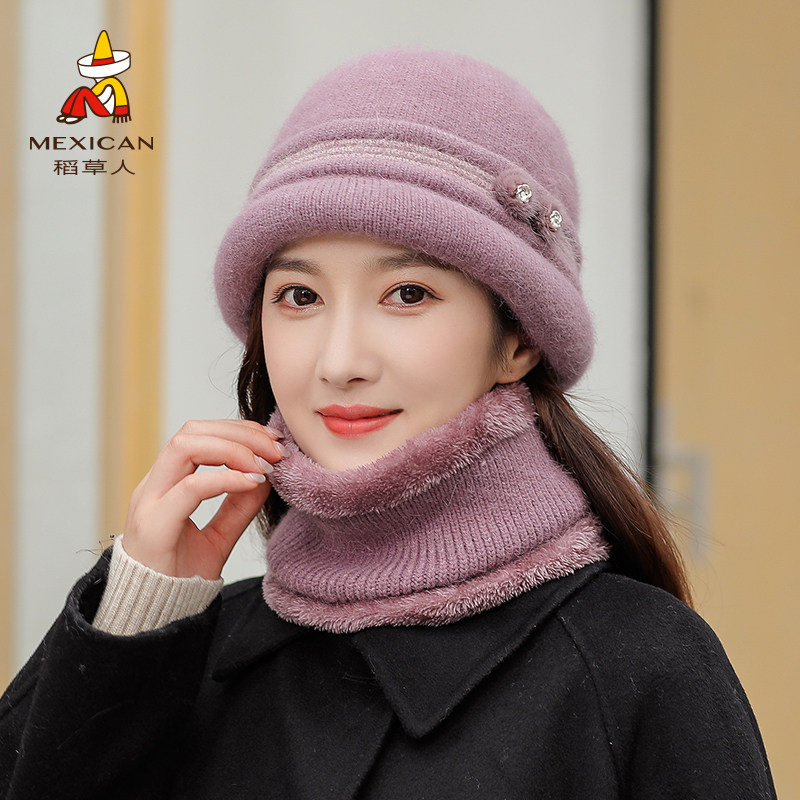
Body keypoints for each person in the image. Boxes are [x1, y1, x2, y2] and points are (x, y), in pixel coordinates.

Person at [1, 49, 776, 798]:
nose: (339, 361)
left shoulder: (639, 666)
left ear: (519, 340)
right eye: (300, 297)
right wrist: (139, 611)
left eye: (408, 294)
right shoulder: (190, 655)